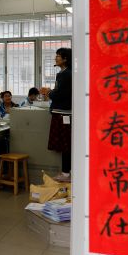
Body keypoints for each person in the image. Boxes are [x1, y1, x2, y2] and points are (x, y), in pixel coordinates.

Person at [44, 48, 72, 176]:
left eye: (58, 56)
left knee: (65, 144)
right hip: (64, 112)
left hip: (63, 113)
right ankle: (67, 171)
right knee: (66, 143)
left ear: (65, 59)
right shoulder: (65, 73)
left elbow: (60, 94)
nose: (55, 58)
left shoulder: (65, 74)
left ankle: (66, 172)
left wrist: (48, 92)